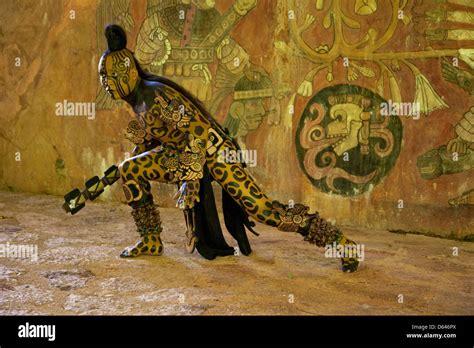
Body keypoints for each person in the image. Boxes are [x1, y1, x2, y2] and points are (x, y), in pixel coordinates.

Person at [98, 24, 360, 272]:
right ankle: (151, 240)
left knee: (263, 210)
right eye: (104, 78)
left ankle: (342, 244)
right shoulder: (138, 103)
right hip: (183, 155)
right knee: (132, 169)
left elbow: (198, 130)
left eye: (112, 76)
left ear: (130, 72)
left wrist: (190, 178)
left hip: (215, 153)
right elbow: (141, 150)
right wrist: (103, 181)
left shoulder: (154, 95)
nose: (108, 84)